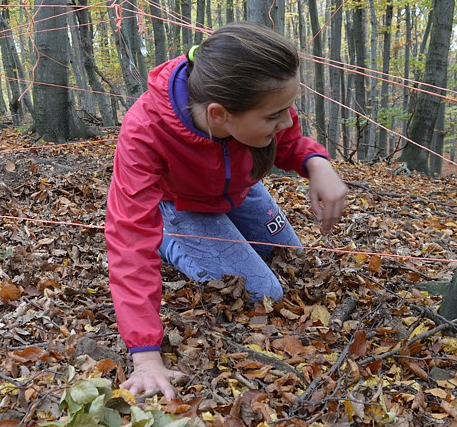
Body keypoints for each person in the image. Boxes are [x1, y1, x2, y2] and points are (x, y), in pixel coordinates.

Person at [105, 22, 347, 400]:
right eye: (274, 116)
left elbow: (288, 140)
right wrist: (145, 356)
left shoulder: (250, 94)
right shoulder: (145, 131)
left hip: (240, 189)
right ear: (219, 115)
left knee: (289, 257)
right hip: (181, 206)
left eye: (287, 109)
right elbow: (130, 239)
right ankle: (170, 239)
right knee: (264, 293)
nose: (286, 121)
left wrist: (317, 163)